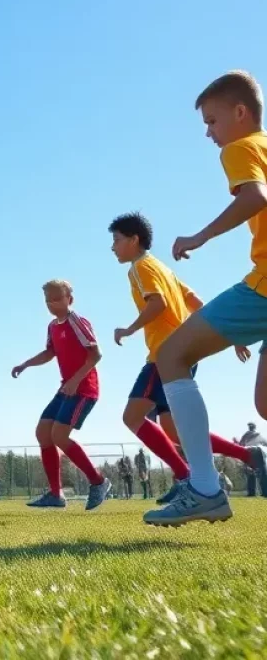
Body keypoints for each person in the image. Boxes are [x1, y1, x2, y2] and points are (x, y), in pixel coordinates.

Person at [144, 72, 267, 525]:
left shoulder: (242, 147)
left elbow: (256, 195)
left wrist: (200, 236)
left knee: (172, 354)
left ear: (240, 113)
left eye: (212, 121)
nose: (208, 133)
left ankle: (204, 488)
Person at [109, 212, 257, 507]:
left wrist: (129, 328)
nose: (113, 247)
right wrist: (231, 334)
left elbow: (159, 303)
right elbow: (194, 301)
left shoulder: (139, 268)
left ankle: (185, 475)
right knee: (175, 429)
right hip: (186, 352)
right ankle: (248, 455)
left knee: (132, 417)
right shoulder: (163, 268)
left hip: (164, 356)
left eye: (116, 240)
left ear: (133, 240)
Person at [11, 280, 110, 510]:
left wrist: (76, 380)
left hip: (84, 389)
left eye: (57, 299)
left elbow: (96, 354)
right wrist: (26, 364)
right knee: (43, 433)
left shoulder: (77, 322)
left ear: (69, 300)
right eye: (48, 300)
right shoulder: (52, 326)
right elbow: (50, 352)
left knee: (59, 436)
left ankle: (98, 481)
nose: (52, 304)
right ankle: (56, 495)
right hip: (66, 388)